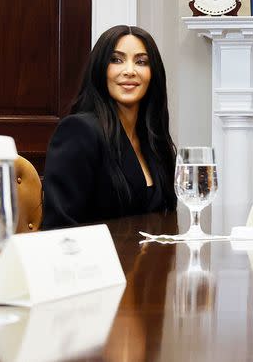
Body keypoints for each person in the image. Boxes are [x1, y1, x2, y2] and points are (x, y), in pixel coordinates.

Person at [42, 25, 176, 229]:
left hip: (152, 260)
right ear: (100, 68)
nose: (129, 71)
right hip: (95, 260)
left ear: (153, 74)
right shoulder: (78, 131)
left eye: (141, 62)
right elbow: (60, 227)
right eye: (116, 60)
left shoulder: (154, 141)